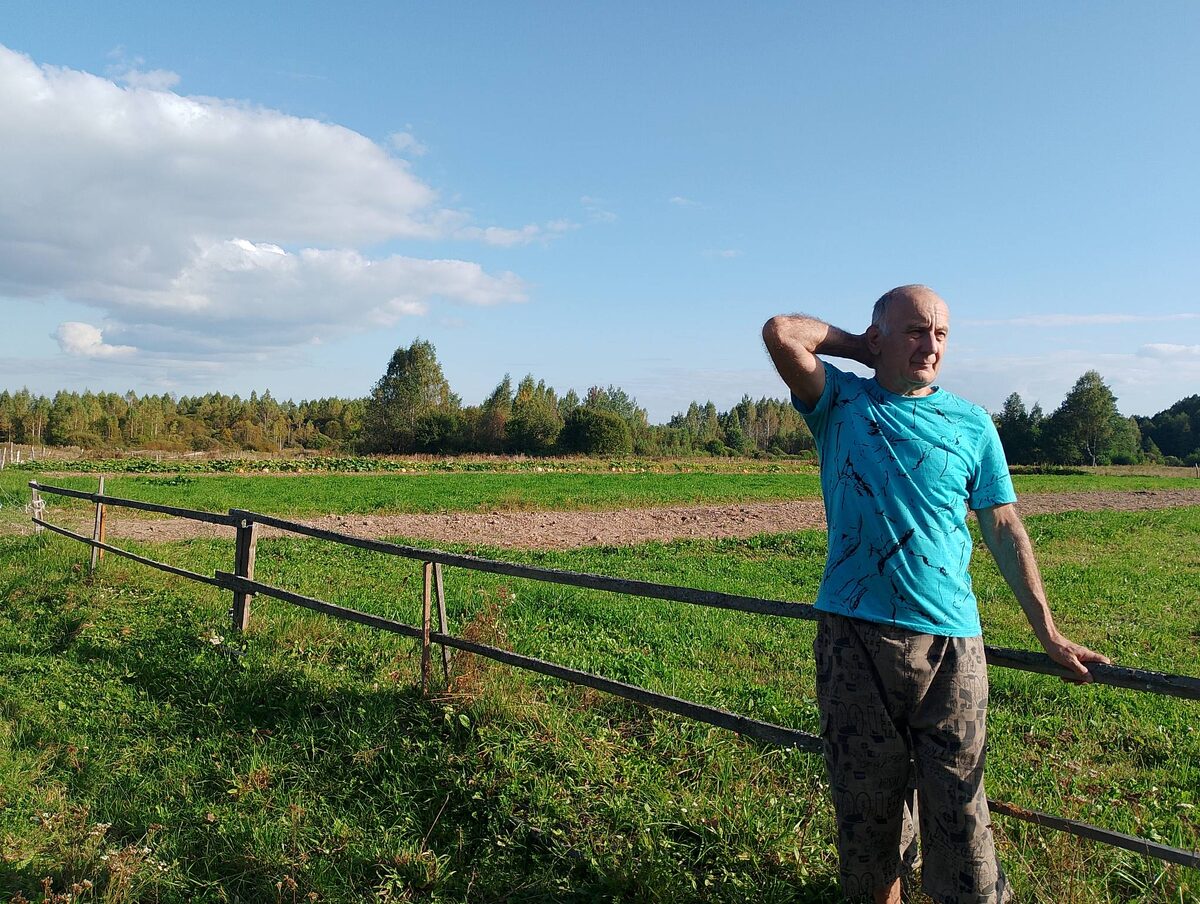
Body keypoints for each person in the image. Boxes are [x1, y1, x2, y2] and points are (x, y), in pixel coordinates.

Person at [761, 285, 1109, 904]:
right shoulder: (840, 401)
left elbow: (1003, 528)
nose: (932, 346)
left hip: (952, 644)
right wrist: (864, 351)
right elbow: (782, 332)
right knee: (868, 814)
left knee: (961, 809)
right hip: (853, 637)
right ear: (879, 338)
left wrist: (1047, 633)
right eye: (916, 331)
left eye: (941, 333)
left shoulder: (973, 423)